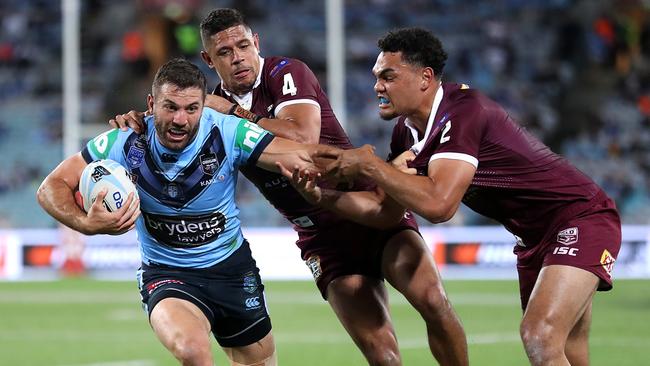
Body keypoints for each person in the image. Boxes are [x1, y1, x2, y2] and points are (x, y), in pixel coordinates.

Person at [110, 9, 468, 366]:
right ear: (208, 59)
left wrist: (235, 113)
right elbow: (172, 126)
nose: (238, 58)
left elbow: (302, 137)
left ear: (257, 43)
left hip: (368, 209)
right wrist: (134, 123)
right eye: (224, 52)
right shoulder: (204, 109)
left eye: (243, 45)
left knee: (433, 301)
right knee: (382, 353)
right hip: (322, 238)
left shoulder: (284, 74)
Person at [304, 27, 622, 366]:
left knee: (540, 335)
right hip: (533, 240)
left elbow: (440, 205)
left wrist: (370, 167)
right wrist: (320, 196)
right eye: (376, 77)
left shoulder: (463, 110)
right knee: (569, 351)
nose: (377, 86)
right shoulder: (406, 132)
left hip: (579, 218)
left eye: (388, 76)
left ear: (425, 78)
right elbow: (386, 212)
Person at [37, 58, 326, 366]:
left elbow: (300, 154)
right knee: (192, 350)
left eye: (191, 109)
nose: (180, 119)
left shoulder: (229, 132)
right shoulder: (123, 141)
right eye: (170, 107)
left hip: (232, 271)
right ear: (151, 103)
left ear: (204, 106)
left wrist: (361, 168)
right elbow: (51, 187)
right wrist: (86, 223)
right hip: (167, 274)